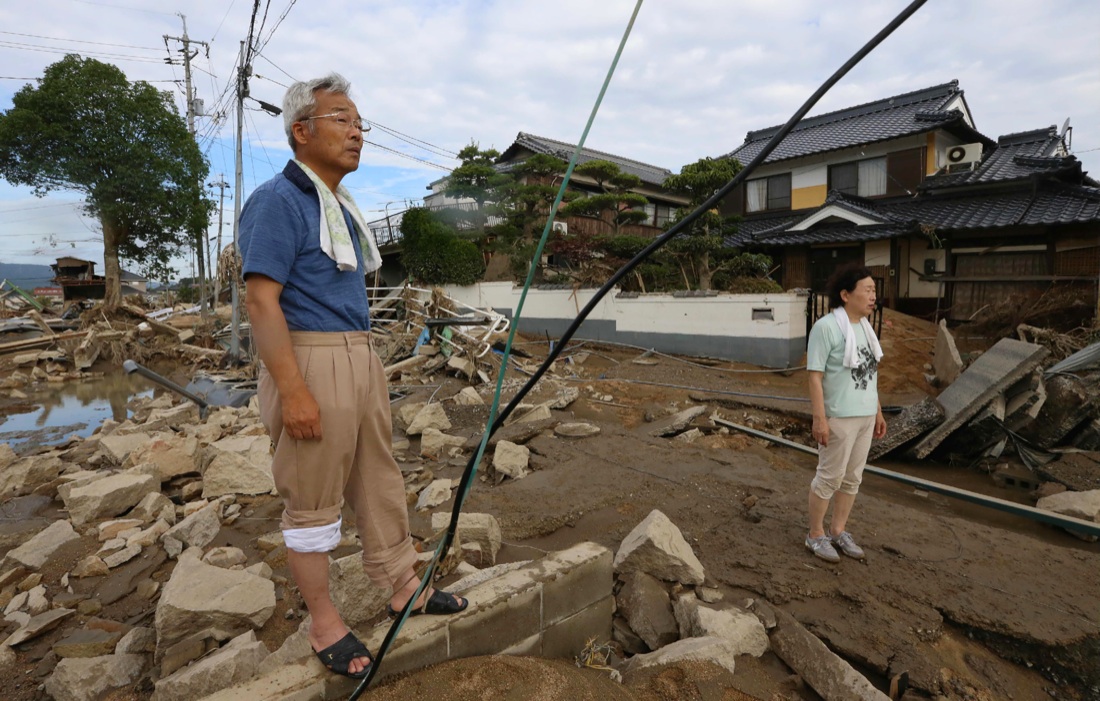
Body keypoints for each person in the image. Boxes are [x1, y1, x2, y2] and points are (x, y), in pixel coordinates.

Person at [240, 73, 466, 680]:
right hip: (311, 357)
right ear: (301, 131)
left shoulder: (338, 205)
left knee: (379, 478)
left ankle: (403, 587)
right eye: (342, 118)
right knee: (312, 496)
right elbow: (262, 302)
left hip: (359, 356)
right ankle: (323, 622)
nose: (357, 130)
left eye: (358, 120)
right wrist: (293, 391)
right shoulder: (278, 200)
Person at [804, 264, 886, 563]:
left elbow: (870, 373)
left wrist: (876, 411)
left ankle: (838, 530)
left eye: (874, 290)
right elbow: (814, 376)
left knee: (852, 478)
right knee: (829, 478)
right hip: (838, 417)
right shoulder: (826, 327)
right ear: (845, 294)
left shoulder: (866, 329)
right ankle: (815, 534)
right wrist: (819, 418)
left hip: (864, 416)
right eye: (867, 290)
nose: (873, 296)